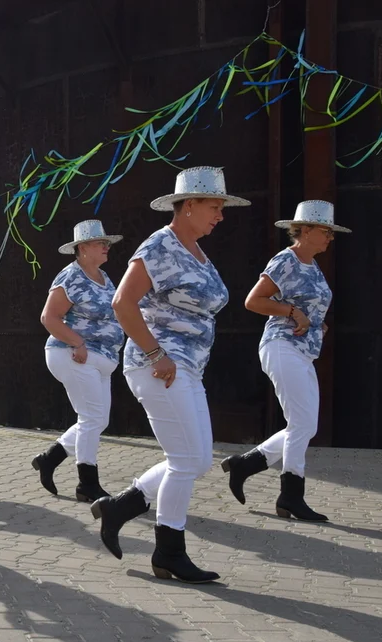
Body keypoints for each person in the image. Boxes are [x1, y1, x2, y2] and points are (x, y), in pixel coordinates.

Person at [92, 166, 249, 584]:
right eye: (215, 206)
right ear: (189, 205)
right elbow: (123, 303)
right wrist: (155, 351)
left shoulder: (196, 251)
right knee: (186, 460)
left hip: (187, 367)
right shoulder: (160, 246)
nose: (221, 214)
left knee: (196, 458)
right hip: (158, 366)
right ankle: (168, 552)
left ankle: (121, 506)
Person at [221, 201, 347, 523]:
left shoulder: (313, 266)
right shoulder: (286, 260)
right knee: (302, 424)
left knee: (305, 426)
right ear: (304, 230)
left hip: (302, 350)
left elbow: (308, 308)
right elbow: (253, 301)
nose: (329, 237)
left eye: (331, 232)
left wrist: (316, 322)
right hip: (281, 345)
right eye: (325, 231)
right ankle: (291, 496)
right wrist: (292, 312)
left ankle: (245, 464)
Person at [33, 220, 124, 502]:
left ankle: (50, 459)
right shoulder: (69, 277)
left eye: (107, 243)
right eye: (101, 243)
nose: (106, 247)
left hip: (100, 358)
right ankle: (87, 484)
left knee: (97, 420)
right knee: (91, 418)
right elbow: (49, 317)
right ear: (83, 248)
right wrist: (78, 342)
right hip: (73, 354)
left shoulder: (104, 277)